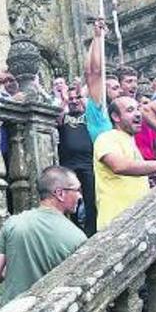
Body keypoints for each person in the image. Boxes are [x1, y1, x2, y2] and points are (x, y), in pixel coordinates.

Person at [0, 166, 87, 305]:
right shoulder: (77, 237)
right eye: (77, 190)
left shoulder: (13, 224)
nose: (80, 196)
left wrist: (13, 268)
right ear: (60, 193)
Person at [94, 97, 156, 229]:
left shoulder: (130, 142)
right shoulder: (107, 138)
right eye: (130, 110)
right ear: (115, 116)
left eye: (138, 109)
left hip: (134, 220)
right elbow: (119, 166)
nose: (138, 114)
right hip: (115, 223)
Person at [57, 84, 96, 236]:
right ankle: (73, 229)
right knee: (69, 197)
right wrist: (64, 100)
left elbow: (93, 111)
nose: (74, 101)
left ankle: (91, 230)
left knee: (90, 198)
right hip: (68, 164)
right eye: (71, 98)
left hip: (87, 162)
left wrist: (83, 96)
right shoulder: (65, 117)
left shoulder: (88, 116)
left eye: (77, 98)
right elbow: (57, 119)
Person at [84, 18, 119, 142]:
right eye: (114, 88)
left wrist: (97, 38)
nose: (119, 92)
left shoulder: (119, 113)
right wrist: (97, 38)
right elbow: (93, 72)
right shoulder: (97, 109)